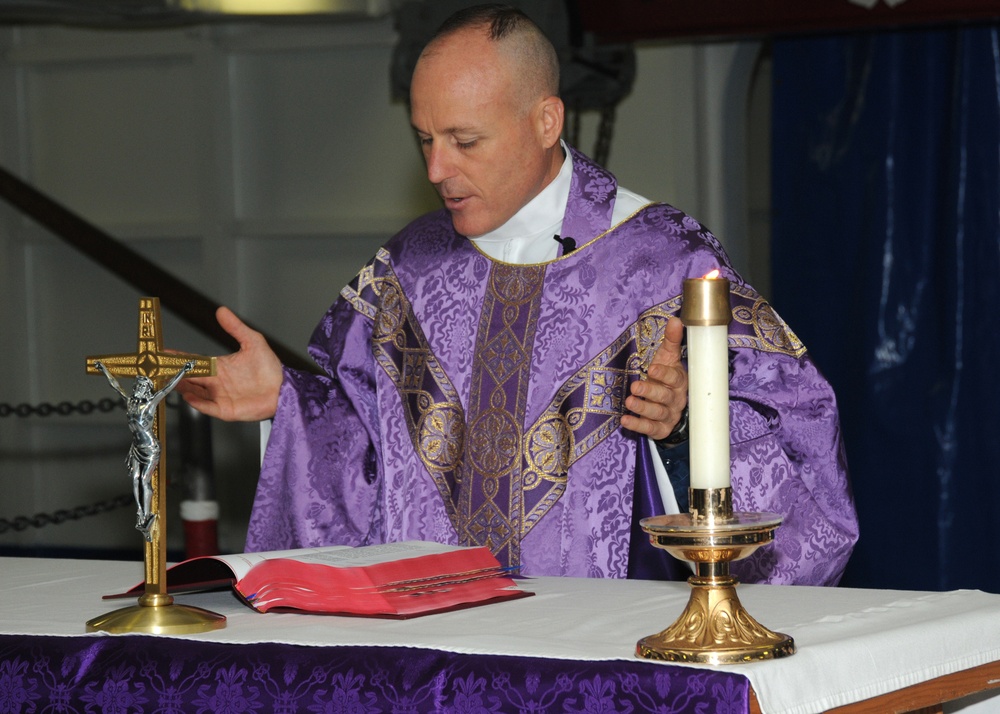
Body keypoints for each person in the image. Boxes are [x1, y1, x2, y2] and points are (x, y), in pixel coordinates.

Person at [178, 4, 858, 585]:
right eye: (424, 139)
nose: (437, 169)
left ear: (545, 121)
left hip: (604, 654)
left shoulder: (664, 264)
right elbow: (361, 450)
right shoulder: (405, 273)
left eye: (464, 140)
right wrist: (290, 400)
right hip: (434, 648)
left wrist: (682, 429)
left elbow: (800, 461)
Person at [96, 360, 196, 541]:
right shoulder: (130, 402)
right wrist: (104, 370)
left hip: (150, 448)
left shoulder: (150, 403)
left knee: (144, 480)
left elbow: (167, 389)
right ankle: (141, 513)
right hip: (135, 447)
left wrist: (184, 370)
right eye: (137, 385)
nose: (138, 388)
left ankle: (147, 514)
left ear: (147, 389)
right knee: (135, 480)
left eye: (142, 386)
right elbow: (115, 386)